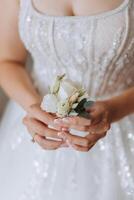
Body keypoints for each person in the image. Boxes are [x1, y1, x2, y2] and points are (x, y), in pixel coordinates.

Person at [0, 0, 134, 199]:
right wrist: (32, 106)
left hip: (123, 126)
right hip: (35, 132)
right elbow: (8, 60)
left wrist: (114, 110)